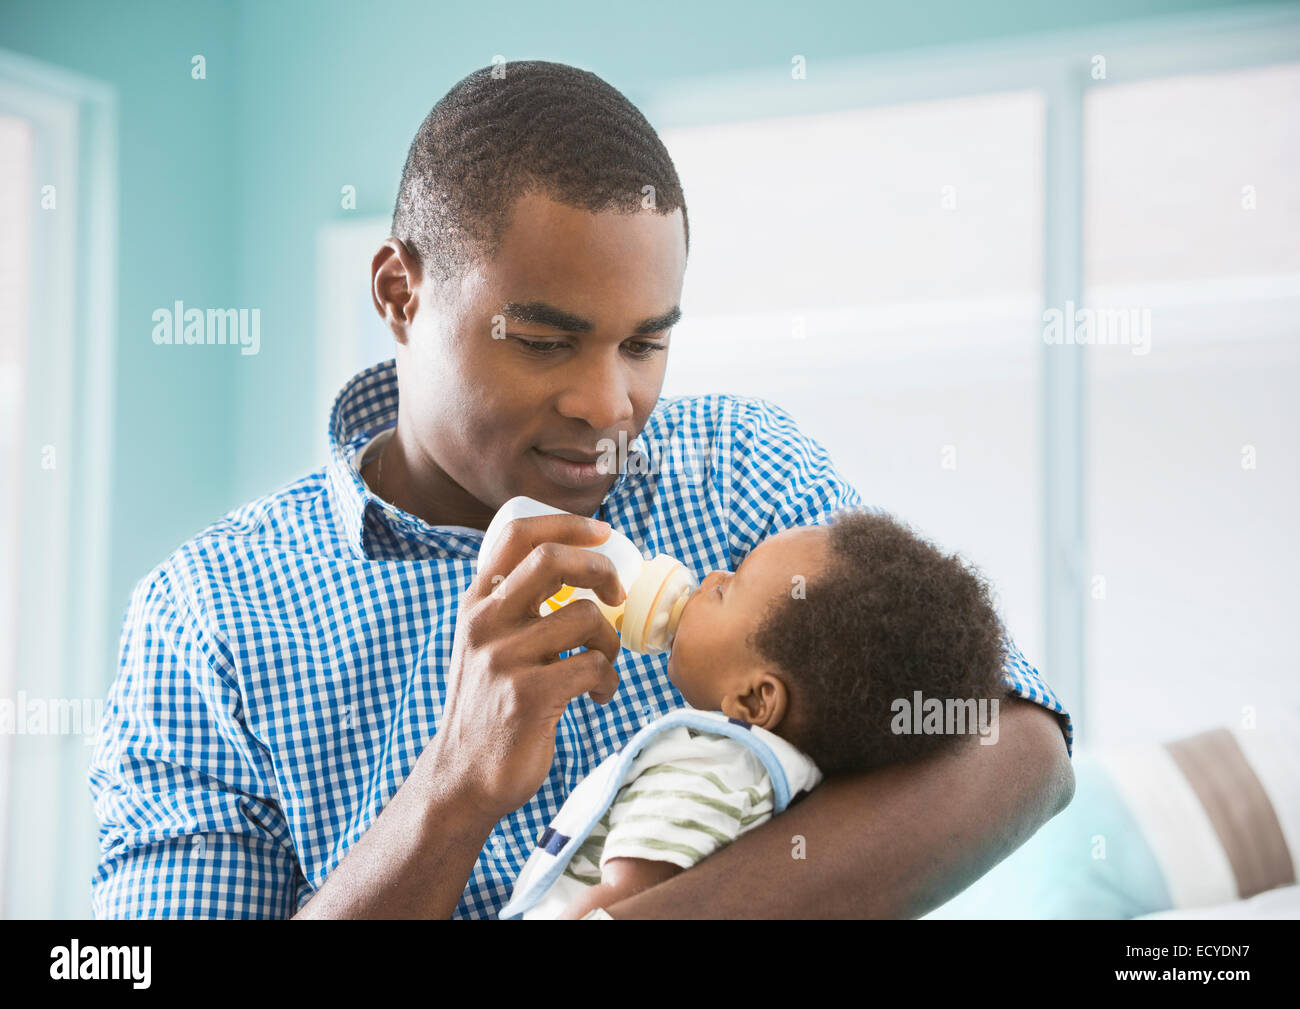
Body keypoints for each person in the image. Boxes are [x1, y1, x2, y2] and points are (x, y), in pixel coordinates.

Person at [88, 60, 1074, 920]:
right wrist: (455, 786)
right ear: (399, 293)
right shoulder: (209, 618)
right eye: (547, 340)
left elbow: (1013, 749)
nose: (610, 407)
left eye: (646, 343)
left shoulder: (733, 466)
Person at [507, 508, 1012, 919]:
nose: (708, 577)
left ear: (754, 701)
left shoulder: (710, 766)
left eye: (727, 590)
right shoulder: (783, 784)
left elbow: (622, 898)